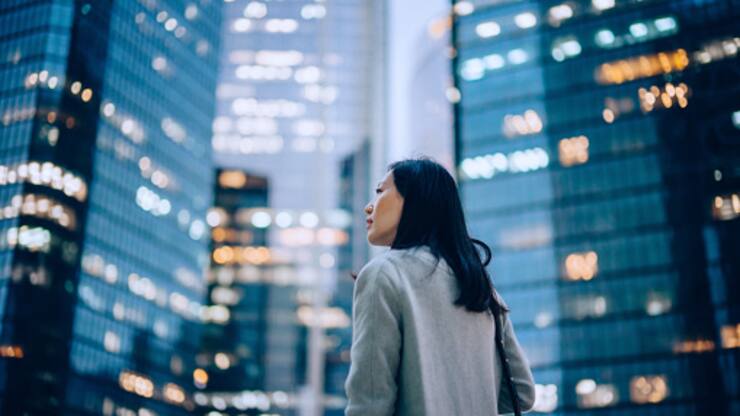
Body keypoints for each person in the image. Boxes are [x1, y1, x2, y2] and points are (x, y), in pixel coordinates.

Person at [345, 158, 536, 416]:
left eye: (380, 191)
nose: (369, 207)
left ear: (414, 199)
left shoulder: (384, 273)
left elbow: (369, 404)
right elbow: (521, 394)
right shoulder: (478, 284)